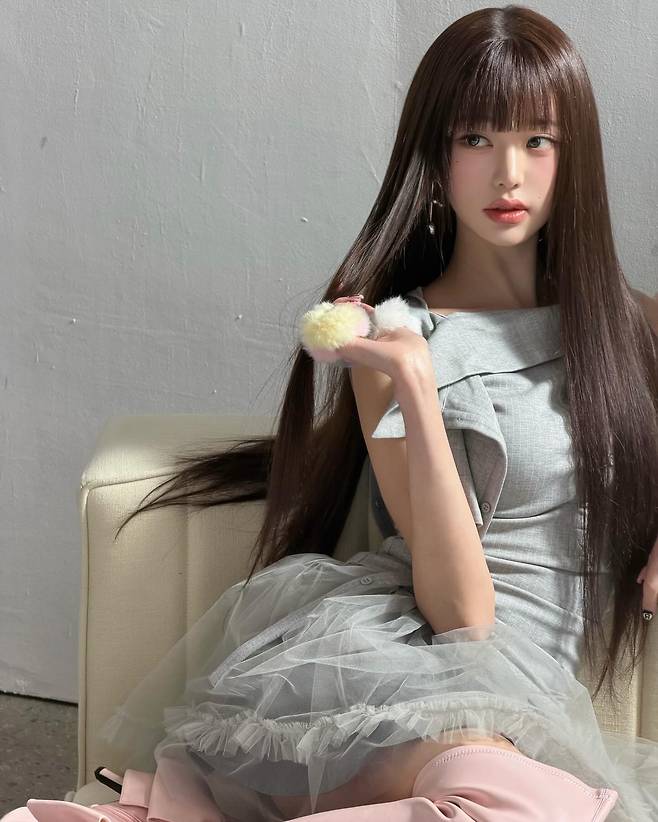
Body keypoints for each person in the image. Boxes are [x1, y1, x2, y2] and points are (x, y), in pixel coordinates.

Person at [4, 5, 658, 822]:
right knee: (519, 806)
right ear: (436, 154)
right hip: (411, 673)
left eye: (537, 140)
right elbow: (464, 617)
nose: (508, 175)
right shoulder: (392, 340)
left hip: (522, 702)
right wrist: (414, 384)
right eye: (475, 139)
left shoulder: (628, 327)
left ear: (575, 155)